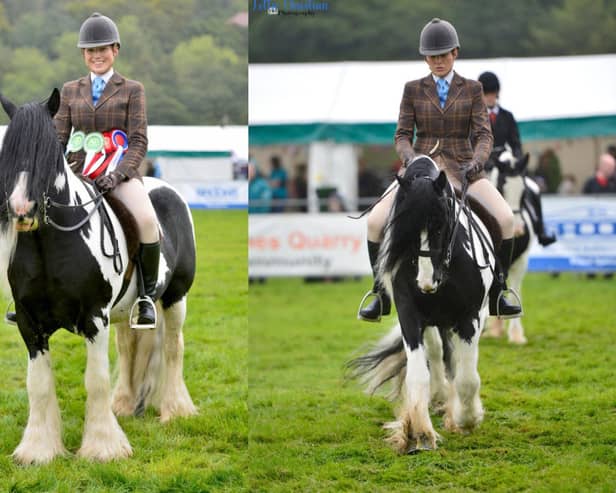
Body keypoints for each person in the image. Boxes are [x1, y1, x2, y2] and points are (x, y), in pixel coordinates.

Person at [358, 18, 521, 322]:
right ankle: (379, 293)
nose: (438, 62)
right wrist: (410, 159)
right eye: (432, 57)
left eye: (443, 55)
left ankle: (499, 291)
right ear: (425, 58)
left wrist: (477, 160)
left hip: (465, 169)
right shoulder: (413, 89)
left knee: (507, 218)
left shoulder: (473, 89)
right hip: (421, 170)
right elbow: (402, 135)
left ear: (455, 53)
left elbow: (485, 135)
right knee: (374, 221)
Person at [55, 12, 157, 329]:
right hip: (78, 173)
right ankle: (31, 296)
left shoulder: (132, 89)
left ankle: (146, 298)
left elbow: (138, 140)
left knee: (148, 221)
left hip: (118, 174)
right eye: (90, 50)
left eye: (103, 49)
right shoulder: (70, 90)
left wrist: (119, 173)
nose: (96, 55)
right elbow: (59, 137)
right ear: (84, 54)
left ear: (115, 50)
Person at [478, 71, 556, 246]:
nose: (490, 98)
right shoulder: (475, 118)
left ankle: (540, 230)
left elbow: (516, 143)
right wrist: (485, 161)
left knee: (533, 188)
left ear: (496, 93)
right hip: (484, 165)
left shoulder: (507, 116)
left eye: (492, 94)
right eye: (486, 94)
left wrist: (517, 161)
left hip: (508, 164)